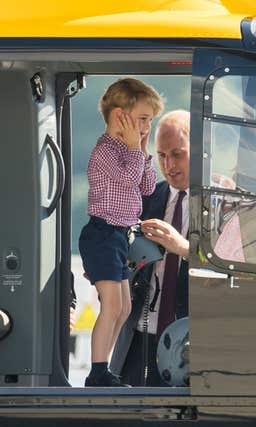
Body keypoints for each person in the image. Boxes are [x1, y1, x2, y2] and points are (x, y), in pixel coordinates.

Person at [78, 78, 163, 387]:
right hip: (102, 233)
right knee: (112, 305)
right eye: (141, 119)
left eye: (149, 121)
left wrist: (141, 148)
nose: (145, 127)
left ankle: (104, 368)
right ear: (118, 116)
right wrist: (133, 149)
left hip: (119, 235)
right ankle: (97, 372)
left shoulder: (131, 151)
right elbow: (128, 179)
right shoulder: (106, 150)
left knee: (125, 307)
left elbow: (148, 187)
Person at [110, 110, 191, 387]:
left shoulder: (218, 203)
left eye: (177, 154)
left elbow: (230, 264)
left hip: (188, 345)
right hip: (138, 340)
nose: (169, 165)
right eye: (162, 155)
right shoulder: (145, 199)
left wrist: (183, 247)